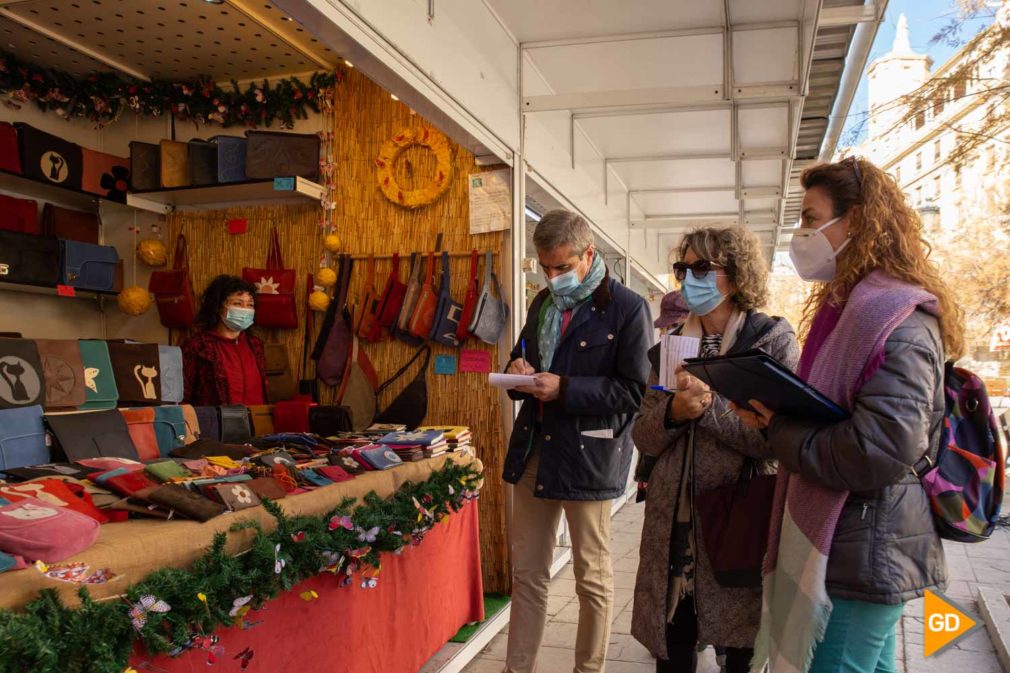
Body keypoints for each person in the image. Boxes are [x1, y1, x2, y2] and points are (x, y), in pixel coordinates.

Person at [733, 156, 962, 673]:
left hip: (865, 547)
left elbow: (877, 450)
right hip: (858, 544)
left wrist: (778, 427)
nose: (803, 233)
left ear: (854, 220)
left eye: (812, 218)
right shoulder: (853, 308)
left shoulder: (894, 318)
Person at [630, 227, 800, 673]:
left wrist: (705, 409)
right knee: (673, 649)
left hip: (737, 518)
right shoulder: (671, 346)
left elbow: (775, 437)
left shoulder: (770, 340)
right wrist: (672, 413)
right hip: (673, 530)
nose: (690, 278)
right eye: (683, 268)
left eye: (703, 268)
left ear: (738, 276)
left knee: (740, 650)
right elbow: (642, 436)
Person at [502, 209, 653, 673]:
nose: (553, 277)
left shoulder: (628, 307)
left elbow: (634, 392)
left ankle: (588, 669)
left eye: (562, 267)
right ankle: (517, 668)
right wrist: (518, 372)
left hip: (589, 454)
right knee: (528, 574)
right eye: (545, 268)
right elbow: (521, 356)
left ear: (589, 255)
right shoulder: (542, 304)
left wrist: (564, 387)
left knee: (591, 576)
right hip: (534, 449)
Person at [634, 290, 689, 504]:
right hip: (659, 476)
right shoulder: (659, 359)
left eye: (674, 326)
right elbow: (642, 426)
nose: (667, 333)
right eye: (664, 327)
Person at [182, 274, 267, 406]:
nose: (245, 309)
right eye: (237, 303)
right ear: (218, 307)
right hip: (214, 424)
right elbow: (183, 395)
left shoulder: (255, 345)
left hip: (256, 423)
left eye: (250, 304)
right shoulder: (198, 347)